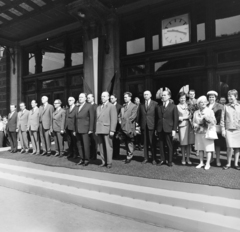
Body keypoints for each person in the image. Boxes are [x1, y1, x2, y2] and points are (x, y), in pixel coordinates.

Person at [193, 96, 216, 170]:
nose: (203, 103)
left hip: (207, 132)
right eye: (201, 102)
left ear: (206, 103)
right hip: (199, 132)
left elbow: (214, 122)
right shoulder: (196, 112)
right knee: (200, 148)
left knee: (208, 149)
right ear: (198, 104)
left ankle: (208, 163)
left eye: (204, 102)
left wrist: (208, 119)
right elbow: (193, 122)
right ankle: (201, 162)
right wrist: (195, 125)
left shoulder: (210, 111)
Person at [156, 90, 178, 167]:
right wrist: (156, 129)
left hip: (169, 128)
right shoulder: (159, 106)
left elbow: (175, 119)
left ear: (169, 96)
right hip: (160, 128)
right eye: (162, 95)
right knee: (161, 145)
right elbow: (157, 118)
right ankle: (162, 159)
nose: (163, 96)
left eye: (165, 95)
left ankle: (170, 160)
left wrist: (174, 130)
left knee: (169, 145)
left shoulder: (173, 107)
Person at [95, 91, 117, 168]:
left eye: (104, 96)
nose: (102, 98)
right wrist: (96, 130)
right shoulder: (98, 107)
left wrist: (112, 130)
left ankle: (109, 162)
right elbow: (96, 120)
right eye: (101, 96)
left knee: (108, 146)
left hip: (107, 129)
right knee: (101, 147)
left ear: (108, 97)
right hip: (99, 129)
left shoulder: (111, 106)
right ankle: (103, 161)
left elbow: (114, 119)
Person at [221, 89, 240, 170]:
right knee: (229, 147)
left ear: (235, 96)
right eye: (228, 96)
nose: (229, 97)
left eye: (230, 96)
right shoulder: (225, 106)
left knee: (237, 147)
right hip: (228, 129)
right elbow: (222, 119)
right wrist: (222, 130)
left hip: (238, 129)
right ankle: (228, 163)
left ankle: (236, 163)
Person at [137, 90, 158, 164]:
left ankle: (154, 159)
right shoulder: (141, 105)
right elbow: (139, 116)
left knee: (152, 142)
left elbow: (157, 116)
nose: (145, 96)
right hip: (143, 126)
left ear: (150, 95)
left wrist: (156, 128)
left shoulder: (155, 104)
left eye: (147, 94)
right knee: (145, 143)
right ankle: (146, 158)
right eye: (144, 94)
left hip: (152, 126)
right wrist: (139, 126)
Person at [74, 93, 94, 166]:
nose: (80, 98)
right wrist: (74, 130)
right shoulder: (77, 107)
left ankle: (86, 159)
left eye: (82, 97)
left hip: (85, 129)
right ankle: (82, 158)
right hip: (78, 129)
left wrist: (91, 129)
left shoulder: (89, 106)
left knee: (86, 145)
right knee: (79, 145)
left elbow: (92, 118)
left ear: (85, 98)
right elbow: (75, 119)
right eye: (79, 97)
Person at [118, 92, 137, 164]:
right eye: (124, 97)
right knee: (125, 142)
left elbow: (133, 117)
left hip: (129, 127)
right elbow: (120, 115)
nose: (125, 98)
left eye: (126, 97)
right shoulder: (123, 106)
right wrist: (119, 120)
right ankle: (127, 156)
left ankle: (129, 156)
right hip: (123, 127)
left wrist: (124, 122)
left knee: (129, 142)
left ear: (130, 98)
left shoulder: (134, 106)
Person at [207, 91, 224, 166]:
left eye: (213, 97)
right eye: (210, 97)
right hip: (208, 128)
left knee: (217, 144)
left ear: (215, 98)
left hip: (216, 127)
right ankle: (210, 159)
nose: (211, 98)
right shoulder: (206, 105)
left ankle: (218, 160)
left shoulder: (220, 106)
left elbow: (222, 117)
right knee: (209, 144)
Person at [177, 92, 194, 165]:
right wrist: (185, 117)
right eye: (181, 98)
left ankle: (188, 158)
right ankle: (183, 158)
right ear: (179, 99)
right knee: (183, 143)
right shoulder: (177, 107)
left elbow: (192, 114)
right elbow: (177, 117)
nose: (183, 99)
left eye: (184, 98)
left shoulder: (188, 105)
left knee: (189, 144)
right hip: (182, 126)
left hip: (189, 125)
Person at [110, 94, 122, 158]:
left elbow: (120, 116)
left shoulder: (119, 106)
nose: (111, 99)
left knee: (116, 140)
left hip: (117, 126)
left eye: (112, 98)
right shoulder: (109, 106)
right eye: (110, 98)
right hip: (110, 125)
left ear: (116, 99)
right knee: (111, 140)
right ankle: (111, 153)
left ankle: (116, 154)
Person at [87, 93, 98, 160]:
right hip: (87, 127)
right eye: (87, 98)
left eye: (89, 97)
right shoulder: (86, 106)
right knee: (88, 142)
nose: (88, 99)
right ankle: (90, 155)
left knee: (94, 142)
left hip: (94, 127)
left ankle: (94, 156)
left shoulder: (96, 106)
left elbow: (96, 118)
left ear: (93, 98)